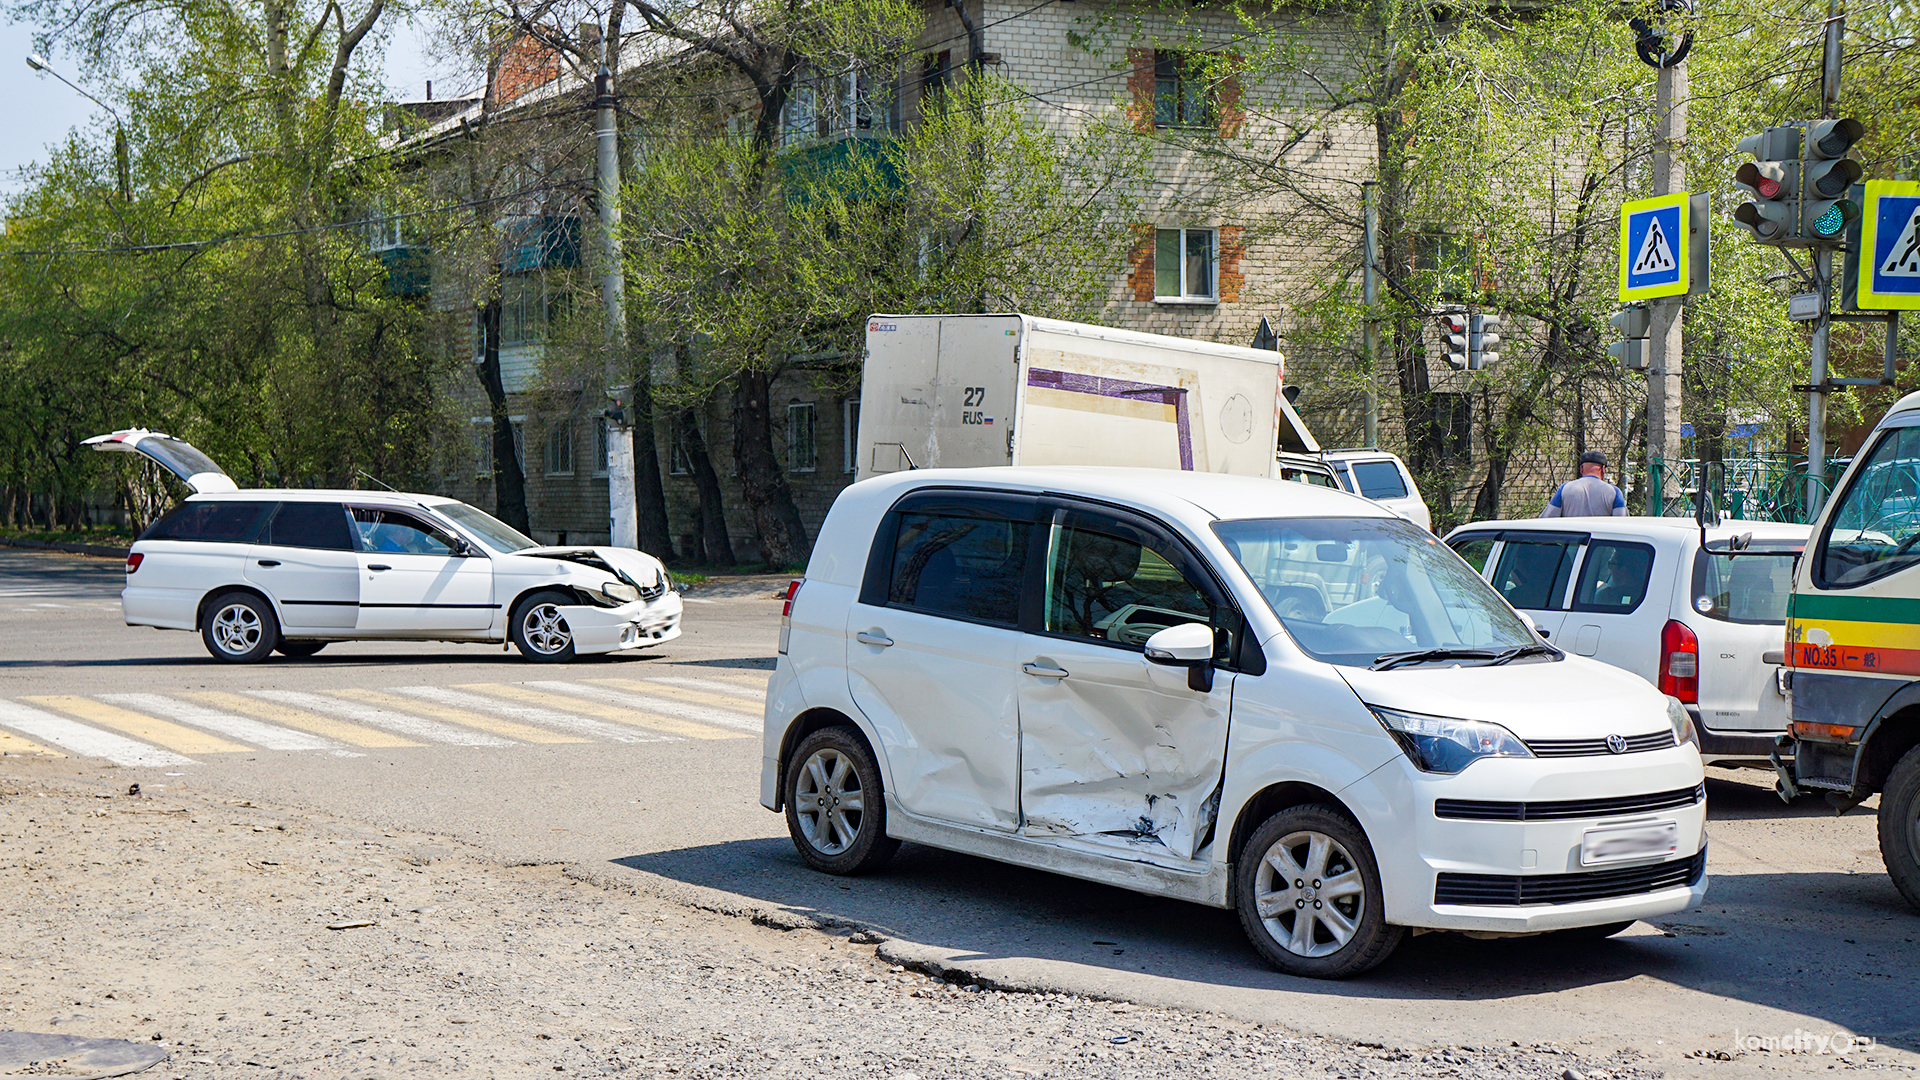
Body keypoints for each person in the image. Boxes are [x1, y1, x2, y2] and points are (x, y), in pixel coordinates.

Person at [1542, 450, 1627, 518]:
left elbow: (1547, 519)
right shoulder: (1614, 492)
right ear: (1603, 469)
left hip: (1573, 538)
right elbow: (1621, 523)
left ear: (1581, 469)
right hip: (1600, 539)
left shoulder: (1565, 489)